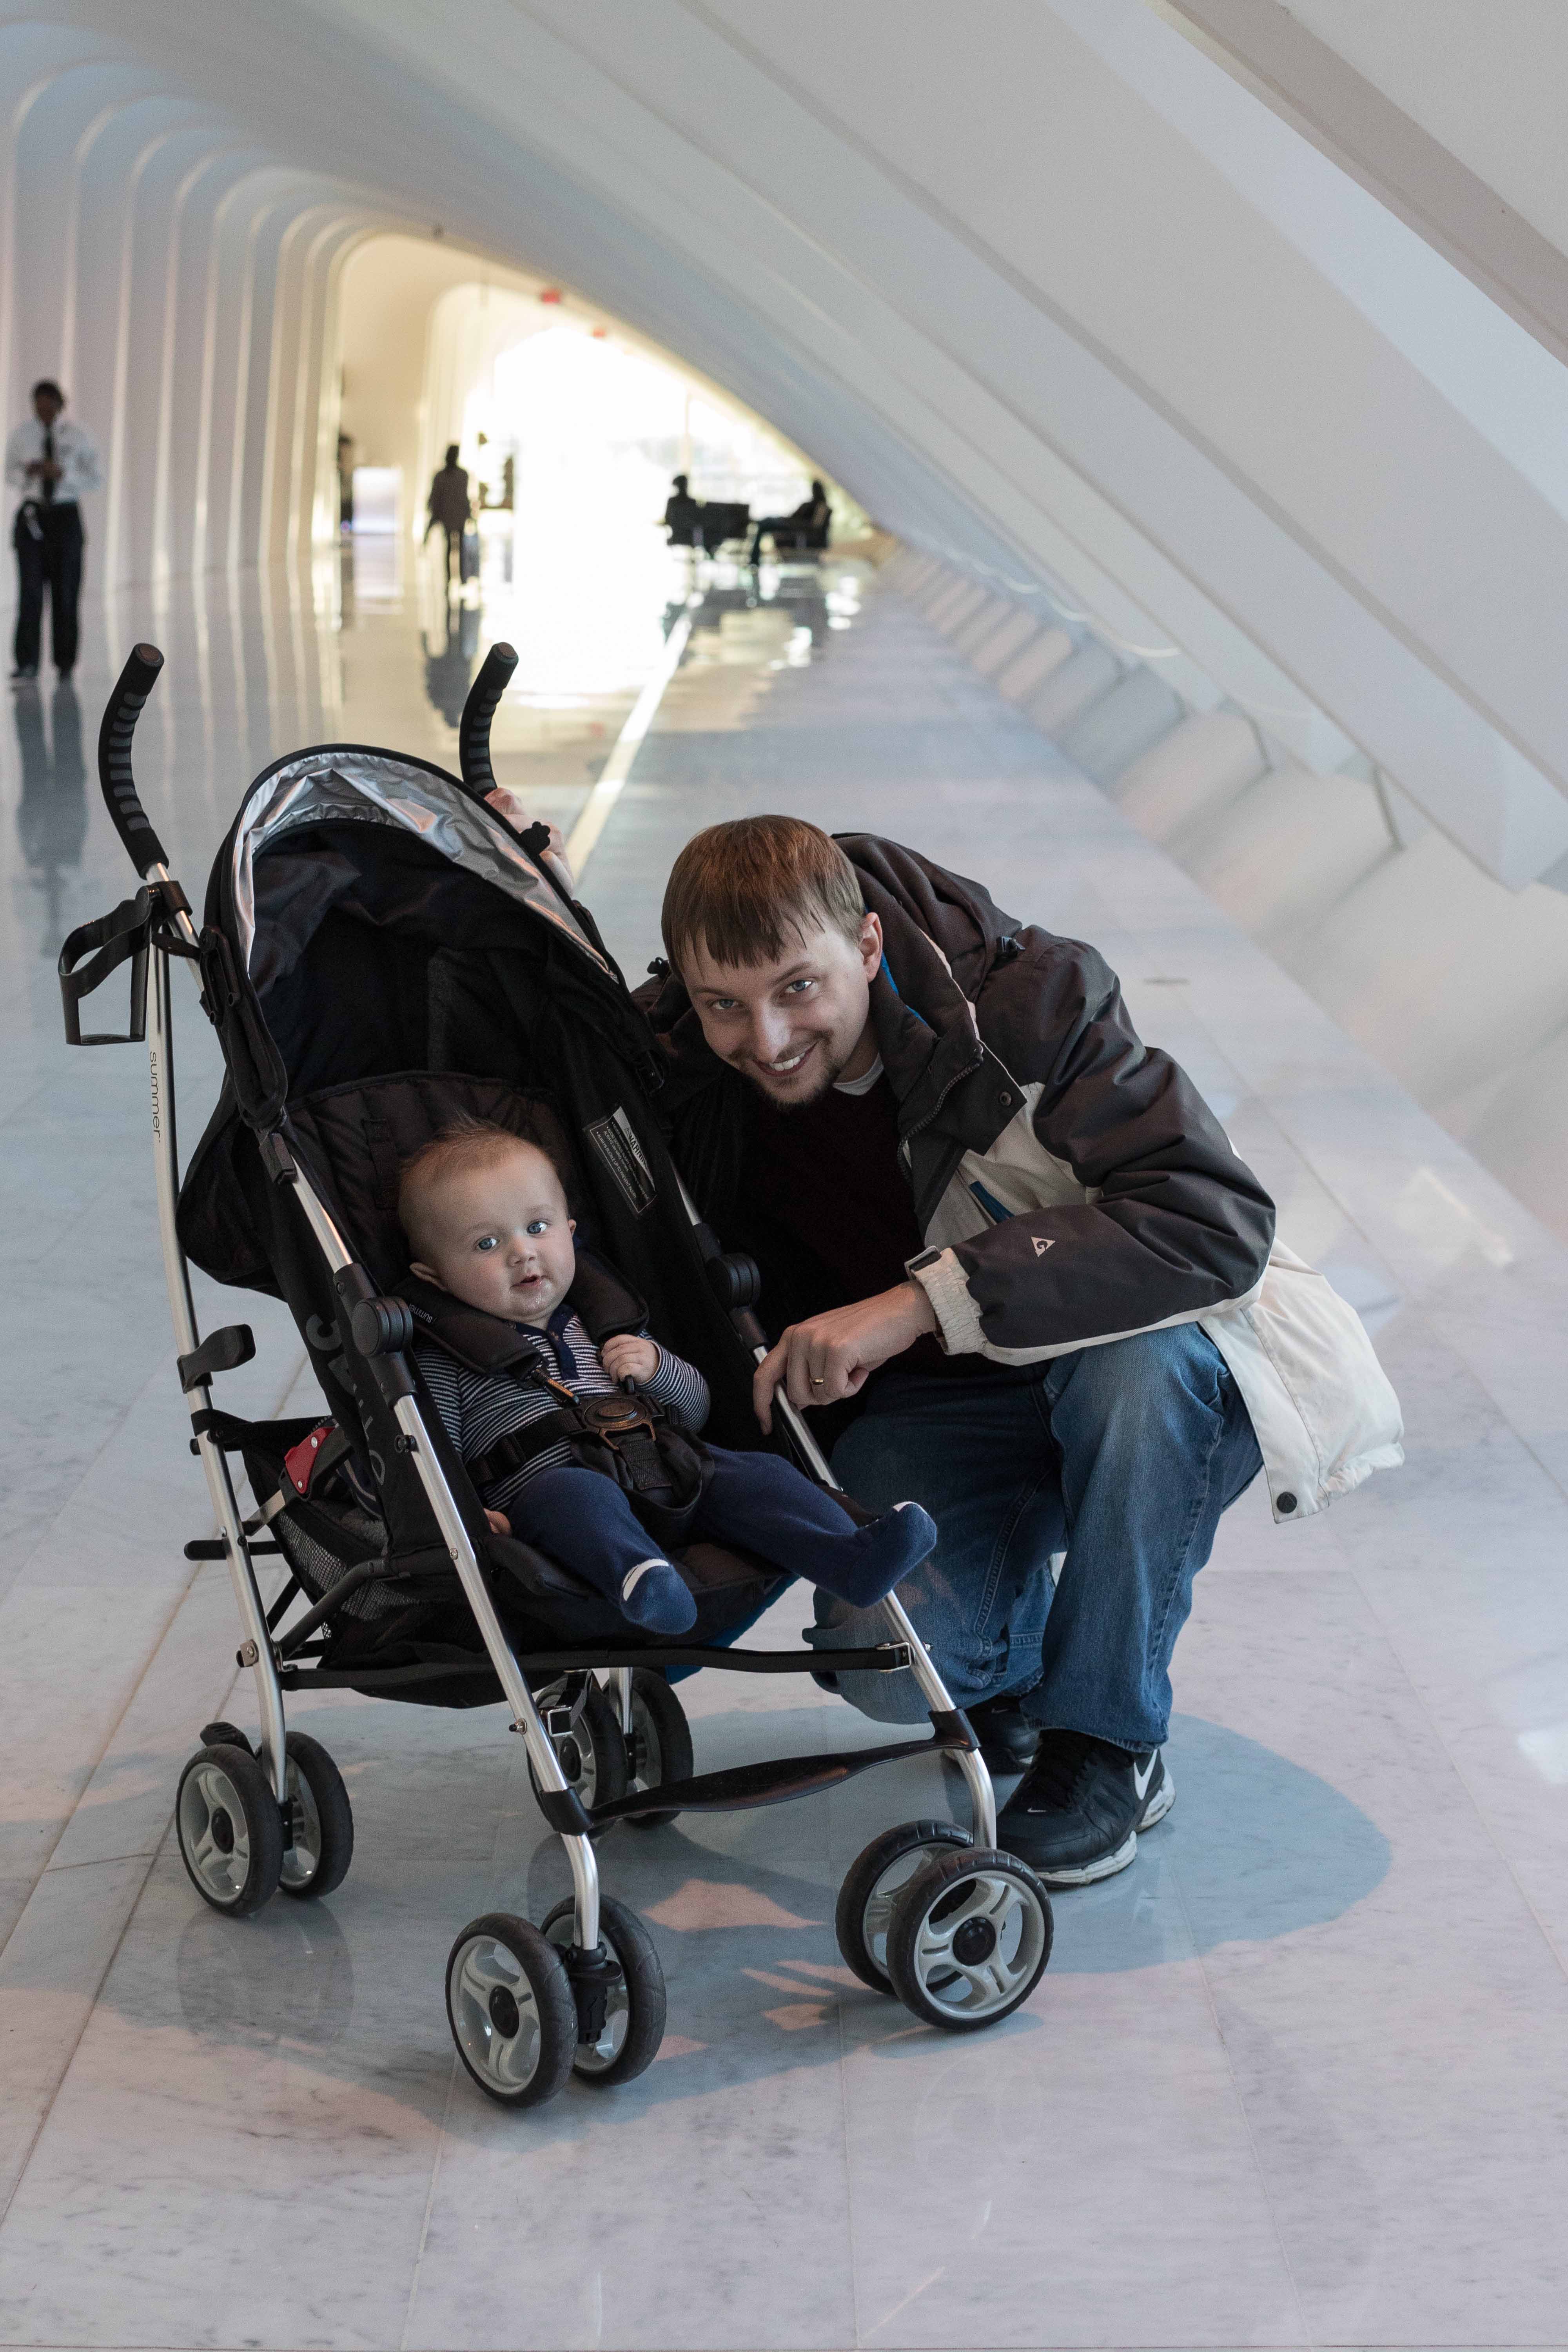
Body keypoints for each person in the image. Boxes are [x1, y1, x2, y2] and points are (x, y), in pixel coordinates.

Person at [616, 816, 1400, 1888]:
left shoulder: (1032, 1008)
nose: (766, 1037)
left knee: (1141, 1375)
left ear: (870, 947)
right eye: (725, 1006)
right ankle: (1018, 1663)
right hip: (937, 1412)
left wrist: (921, 1302)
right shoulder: (687, 1074)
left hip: (1132, 1377)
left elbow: (1210, 1218)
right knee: (894, 1670)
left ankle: (1109, 1742)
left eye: (799, 989)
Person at [397, 1121, 938, 1637]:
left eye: (537, 1228)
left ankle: (850, 1557)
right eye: (486, 1245)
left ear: (570, 1233)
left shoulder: (606, 1323)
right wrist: (469, 1516)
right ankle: (644, 1581)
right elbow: (432, 1450)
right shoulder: (449, 1358)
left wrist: (659, 1370)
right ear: (434, 1277)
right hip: (550, 1496)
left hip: (671, 1469)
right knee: (574, 1495)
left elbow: (693, 1411)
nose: (523, 1252)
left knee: (757, 1472)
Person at [6, 380, 100, 681]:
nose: (43, 409)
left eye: (49, 403)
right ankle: (27, 663)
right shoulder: (22, 436)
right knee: (30, 594)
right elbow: (9, 472)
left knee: (66, 593)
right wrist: (29, 472)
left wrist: (63, 474)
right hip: (34, 516)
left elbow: (97, 478)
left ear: (60, 404)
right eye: (38, 403)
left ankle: (65, 663)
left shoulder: (79, 435)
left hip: (65, 517)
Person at [747, 479, 829, 565]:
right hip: (790, 522)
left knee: (765, 525)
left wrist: (795, 523)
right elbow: (796, 516)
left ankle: (754, 560)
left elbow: (812, 525)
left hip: (793, 526)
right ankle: (754, 558)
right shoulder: (811, 504)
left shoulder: (818, 506)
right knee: (766, 522)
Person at [424, 443, 470, 584]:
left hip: (452, 515)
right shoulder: (458, 475)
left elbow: (462, 497)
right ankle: (455, 577)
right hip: (453, 515)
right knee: (455, 547)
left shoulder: (454, 475)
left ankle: (455, 577)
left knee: (455, 547)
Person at [662, 473, 699, 544]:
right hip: (691, 538)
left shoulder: (672, 502)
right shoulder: (693, 502)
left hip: (676, 537)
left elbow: (668, 519)